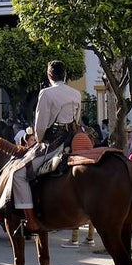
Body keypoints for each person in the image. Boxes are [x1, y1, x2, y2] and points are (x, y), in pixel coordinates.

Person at [13, 60, 81, 231]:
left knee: (19, 174)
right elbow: (77, 119)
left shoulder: (46, 93)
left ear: (49, 75)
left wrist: (38, 138)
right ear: (65, 75)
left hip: (54, 143)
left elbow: (41, 126)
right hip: (74, 139)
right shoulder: (76, 93)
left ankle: (31, 221)